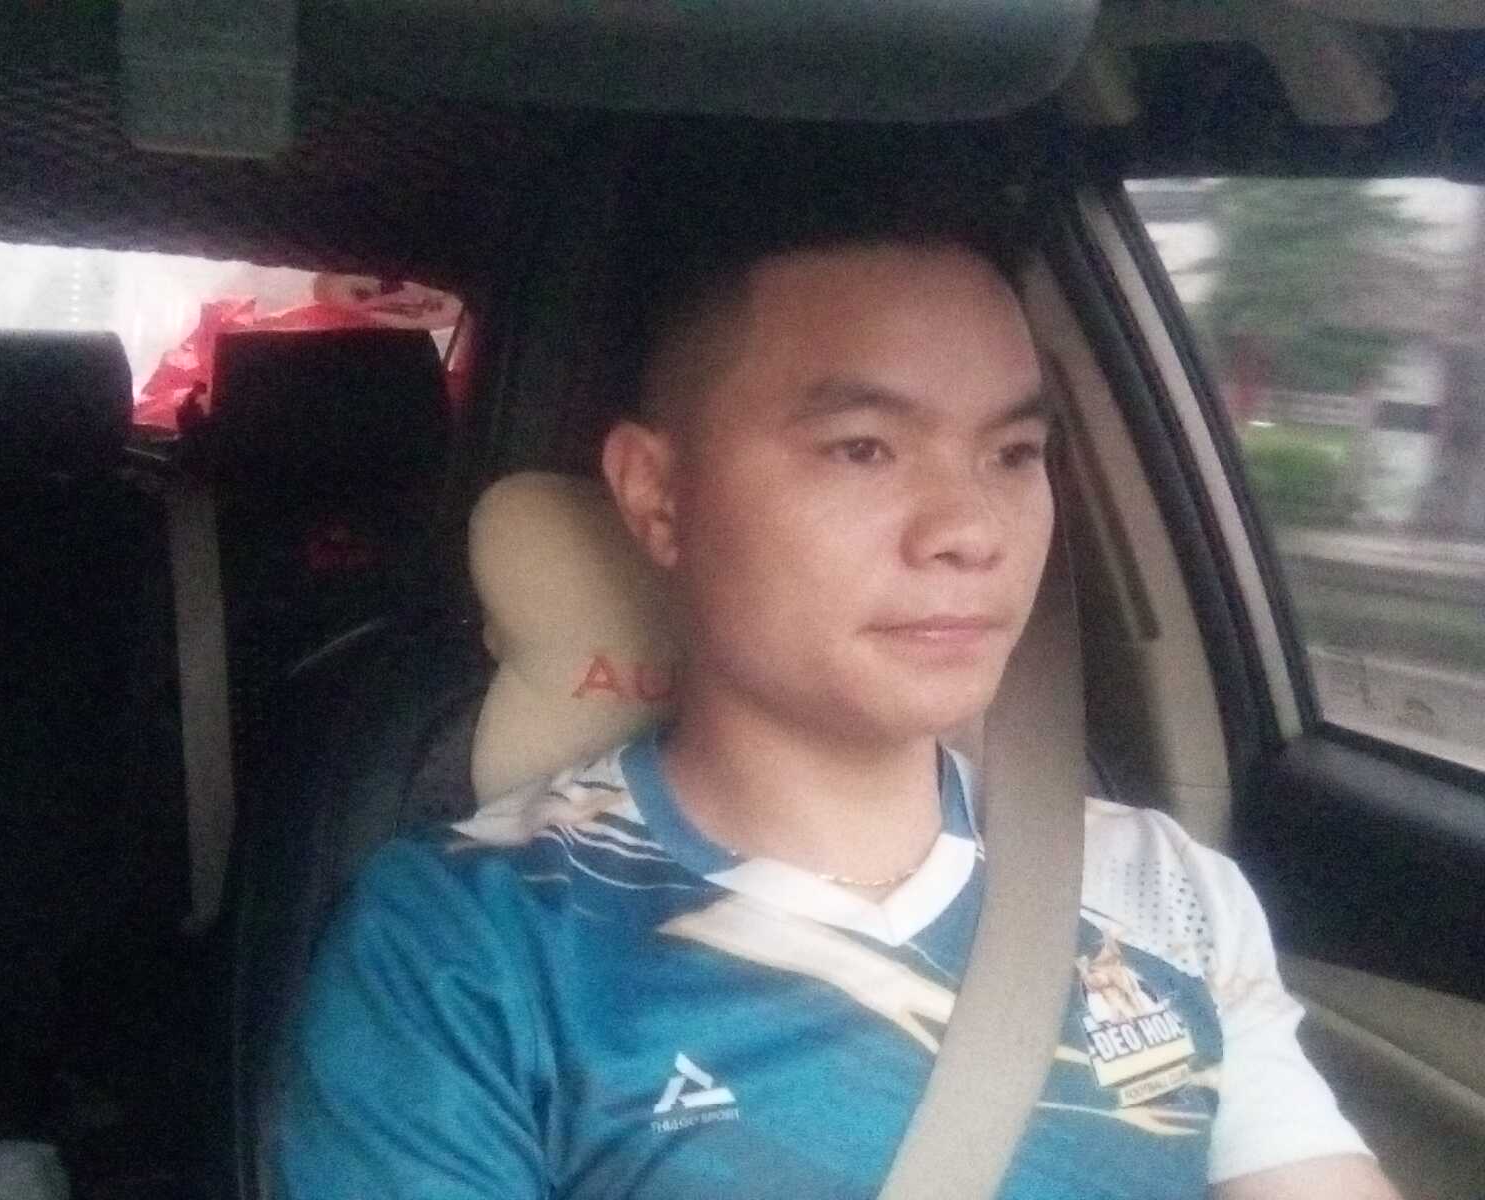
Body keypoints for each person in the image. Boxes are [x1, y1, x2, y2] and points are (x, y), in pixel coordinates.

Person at [275, 194, 1398, 1198]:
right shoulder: (471, 946)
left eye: (1013, 453)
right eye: (864, 449)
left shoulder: (1162, 894)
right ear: (658, 496)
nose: (970, 531)